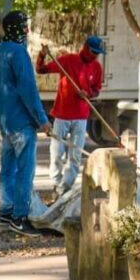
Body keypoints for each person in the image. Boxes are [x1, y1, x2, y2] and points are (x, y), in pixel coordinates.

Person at [0, 10, 50, 236]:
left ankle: (6, 210)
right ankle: (20, 216)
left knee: (8, 168)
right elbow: (28, 90)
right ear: (17, 28)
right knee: (25, 170)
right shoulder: (19, 53)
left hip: (5, 121)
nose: (27, 30)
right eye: (24, 26)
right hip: (22, 123)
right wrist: (42, 120)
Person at [36, 36, 106, 197]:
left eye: (98, 53)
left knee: (75, 155)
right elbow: (41, 70)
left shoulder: (96, 67)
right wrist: (42, 55)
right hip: (62, 114)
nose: (95, 55)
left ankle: (64, 188)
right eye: (94, 52)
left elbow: (96, 89)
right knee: (56, 152)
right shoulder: (67, 60)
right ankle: (56, 182)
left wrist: (88, 93)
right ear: (86, 47)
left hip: (81, 117)